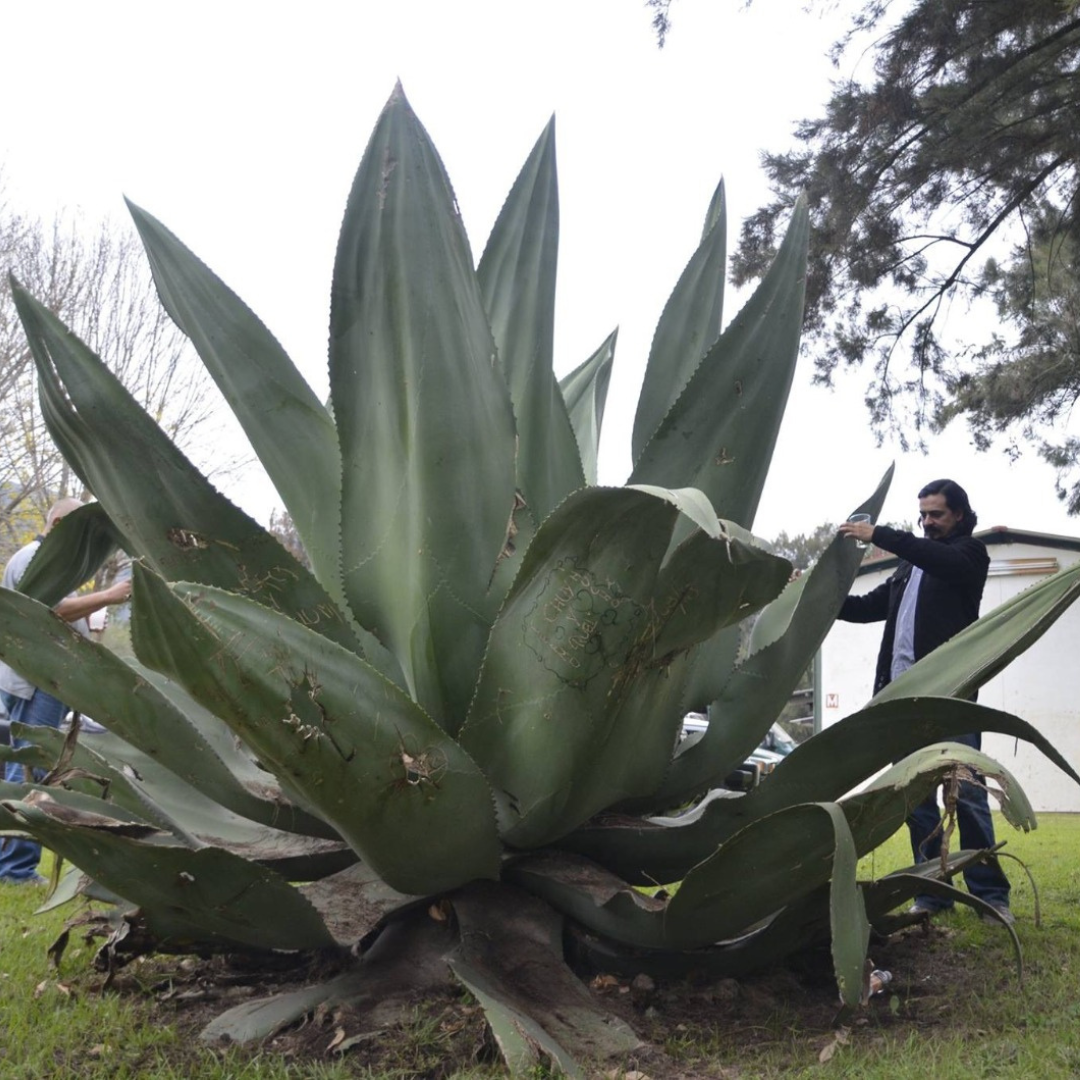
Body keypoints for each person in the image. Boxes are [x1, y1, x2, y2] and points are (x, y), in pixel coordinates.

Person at [837, 479, 1013, 925]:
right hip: (902, 702)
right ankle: (933, 894)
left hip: (948, 699)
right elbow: (862, 608)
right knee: (916, 801)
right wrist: (816, 595)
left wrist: (879, 535)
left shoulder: (968, 556)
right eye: (923, 515)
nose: (928, 522)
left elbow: (934, 555)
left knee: (967, 796)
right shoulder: (906, 570)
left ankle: (992, 898)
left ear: (958, 515)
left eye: (936, 514)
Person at [0, 498, 132, 884]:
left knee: (33, 765)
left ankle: (12, 864)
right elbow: (49, 610)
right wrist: (107, 596)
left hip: (44, 681)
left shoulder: (51, 560)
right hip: (35, 682)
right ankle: (15, 868)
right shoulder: (32, 559)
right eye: (80, 530)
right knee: (32, 768)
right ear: (59, 524)